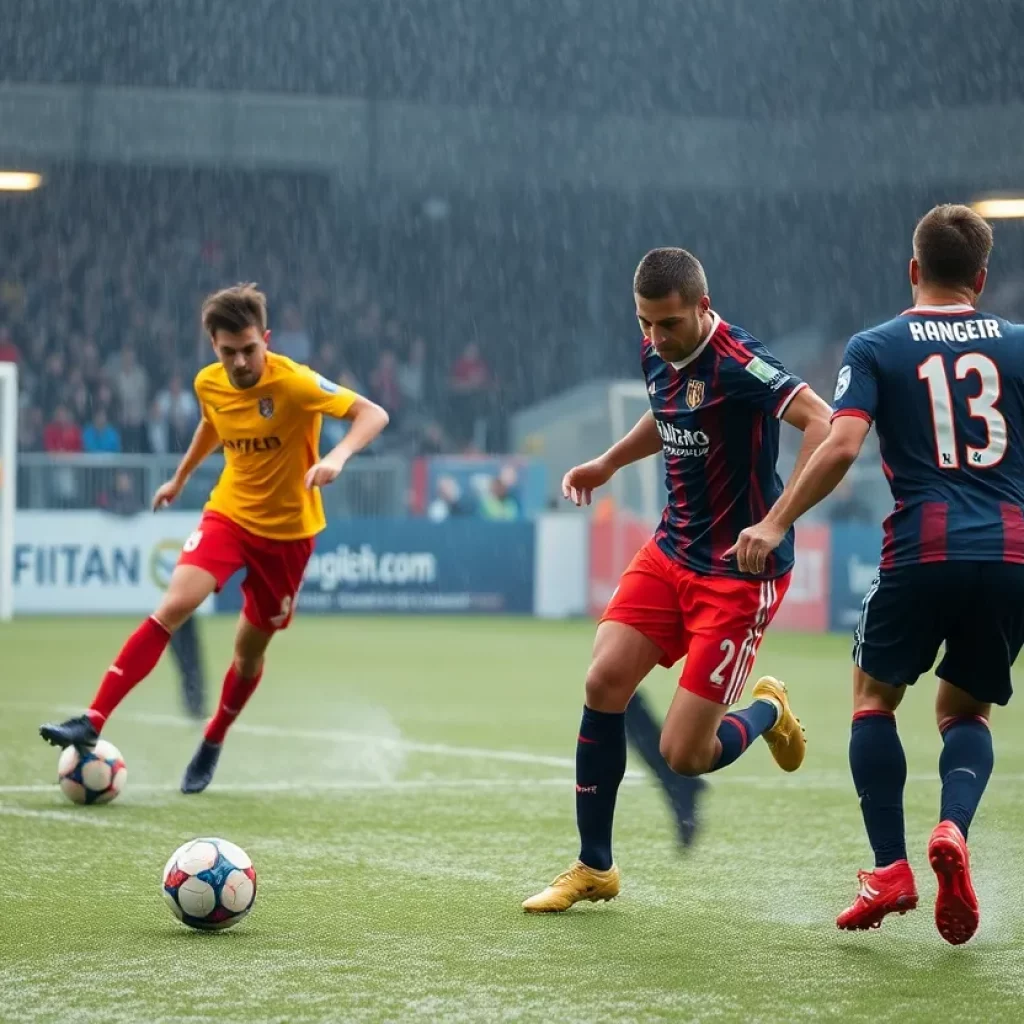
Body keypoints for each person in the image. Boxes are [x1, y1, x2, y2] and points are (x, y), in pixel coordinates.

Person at [730, 204, 1018, 946]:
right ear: (982, 278)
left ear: (914, 269)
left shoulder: (877, 345)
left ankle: (890, 868)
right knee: (965, 711)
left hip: (923, 549)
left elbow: (840, 444)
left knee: (872, 698)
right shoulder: (1020, 345)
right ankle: (952, 827)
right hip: (1010, 556)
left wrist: (776, 520)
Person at [522, 248, 831, 913]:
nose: (656, 338)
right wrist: (608, 462)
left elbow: (825, 424)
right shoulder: (656, 349)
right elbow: (667, 415)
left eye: (668, 324)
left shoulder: (741, 361)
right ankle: (594, 866)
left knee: (685, 754)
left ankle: (769, 710)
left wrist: (776, 522)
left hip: (738, 573)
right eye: (645, 323)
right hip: (671, 552)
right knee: (603, 681)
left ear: (702, 306)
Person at [40, 283, 389, 793]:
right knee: (173, 607)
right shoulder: (209, 382)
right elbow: (212, 424)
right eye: (229, 352)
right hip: (229, 515)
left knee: (247, 654)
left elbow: (373, 413)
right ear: (214, 346)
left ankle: (214, 737)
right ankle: (92, 719)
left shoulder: (295, 382)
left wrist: (336, 456)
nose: (241, 362)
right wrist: (179, 479)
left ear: (266, 338)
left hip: (288, 535)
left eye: (249, 349)